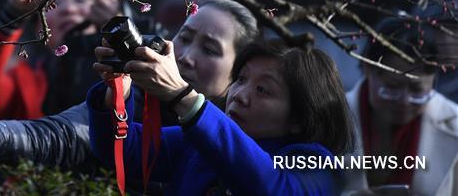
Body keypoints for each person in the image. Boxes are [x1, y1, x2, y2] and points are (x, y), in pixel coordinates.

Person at [0, 0, 261, 188]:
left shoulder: (251, 136)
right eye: (185, 38)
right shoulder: (133, 95)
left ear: (239, 73)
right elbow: (67, 134)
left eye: (209, 49)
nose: (186, 56)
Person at [88, 39, 354, 195]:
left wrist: (184, 97)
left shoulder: (318, 167)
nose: (239, 95)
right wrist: (118, 90)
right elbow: (126, 151)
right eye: (240, 79)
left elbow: (270, 187)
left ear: (300, 117)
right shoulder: (197, 144)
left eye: (263, 89)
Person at [342, 17, 458, 196]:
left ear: (434, 78)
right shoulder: (326, 118)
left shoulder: (455, 124)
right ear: (367, 68)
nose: (404, 101)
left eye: (417, 90)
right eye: (391, 88)